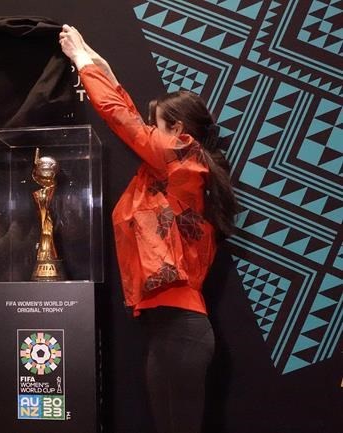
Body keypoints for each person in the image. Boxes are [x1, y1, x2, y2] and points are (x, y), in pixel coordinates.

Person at [59, 25, 237, 433]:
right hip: (168, 330)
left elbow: (124, 121)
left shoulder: (185, 167)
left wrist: (83, 62)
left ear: (180, 133)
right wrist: (99, 63)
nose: (149, 132)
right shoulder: (172, 169)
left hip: (181, 330)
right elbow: (133, 119)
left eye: (158, 126)